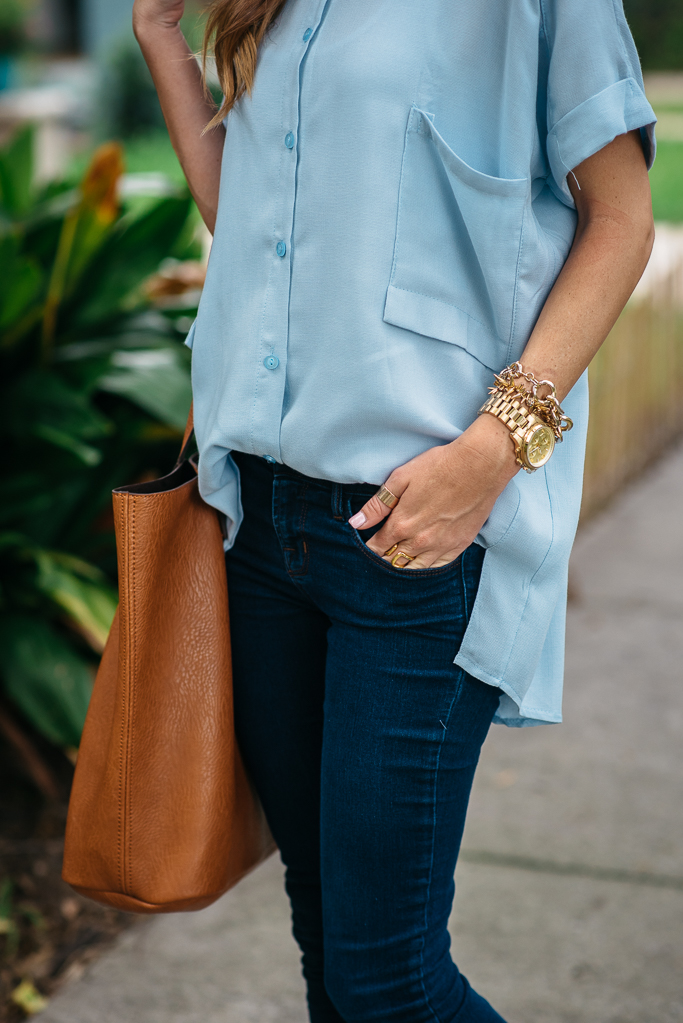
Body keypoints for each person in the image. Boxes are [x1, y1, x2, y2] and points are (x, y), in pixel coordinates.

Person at [133, 1, 655, 1019]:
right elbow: (252, 225)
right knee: (328, 936)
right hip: (262, 528)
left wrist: (495, 448)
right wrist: (161, 35)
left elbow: (620, 219)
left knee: (386, 982)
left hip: (415, 537)